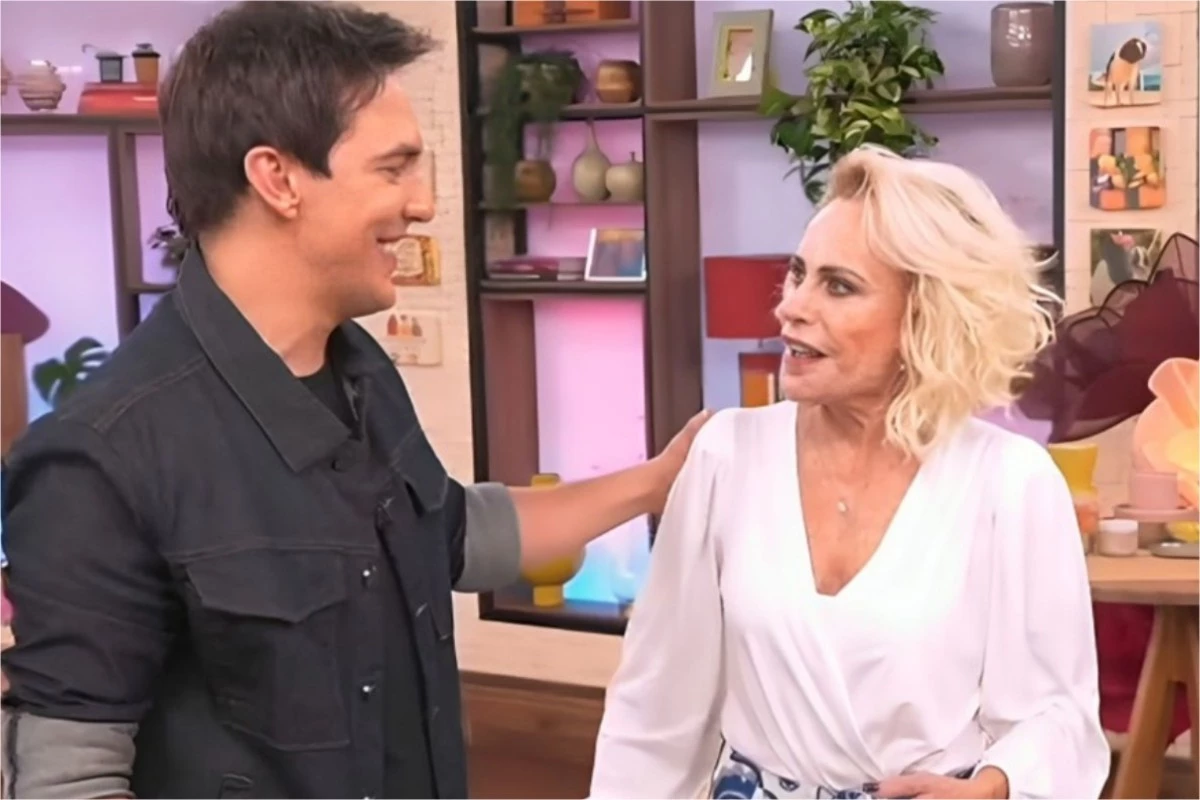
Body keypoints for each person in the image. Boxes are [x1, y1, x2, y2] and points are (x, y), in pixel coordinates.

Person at [0, 3, 708, 798]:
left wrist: (658, 481)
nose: (423, 203)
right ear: (278, 179)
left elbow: (449, 534)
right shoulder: (101, 458)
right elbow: (68, 780)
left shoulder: (362, 371)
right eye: (393, 168)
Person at [589, 146, 1111, 800]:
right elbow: (654, 711)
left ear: (926, 317)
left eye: (838, 286)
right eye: (798, 274)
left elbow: (1058, 716)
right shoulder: (725, 454)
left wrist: (994, 786)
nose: (791, 307)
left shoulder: (1011, 482)